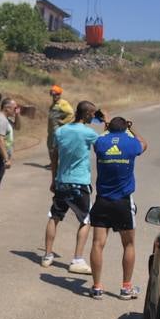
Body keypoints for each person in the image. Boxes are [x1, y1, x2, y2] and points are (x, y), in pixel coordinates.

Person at [88, 117, 147, 300]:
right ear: (125, 128)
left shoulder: (100, 142)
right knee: (128, 244)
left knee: (97, 244)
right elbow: (144, 144)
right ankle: (126, 288)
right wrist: (133, 128)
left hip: (102, 200)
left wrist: (106, 130)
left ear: (108, 128)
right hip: (123, 201)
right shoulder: (131, 143)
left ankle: (97, 287)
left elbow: (100, 141)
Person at [42, 101, 99, 274]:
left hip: (62, 181)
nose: (94, 117)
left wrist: (54, 179)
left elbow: (54, 157)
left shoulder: (61, 131)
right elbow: (102, 149)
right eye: (93, 114)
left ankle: (47, 255)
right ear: (87, 113)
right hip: (80, 183)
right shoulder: (89, 133)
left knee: (54, 216)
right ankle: (77, 259)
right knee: (86, 220)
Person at [47, 84, 75, 172]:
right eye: (53, 94)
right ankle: (53, 163)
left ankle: (56, 164)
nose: (54, 96)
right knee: (50, 146)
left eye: (56, 94)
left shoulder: (62, 103)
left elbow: (71, 113)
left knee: (54, 147)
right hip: (51, 130)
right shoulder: (54, 104)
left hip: (57, 130)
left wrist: (63, 122)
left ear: (59, 94)